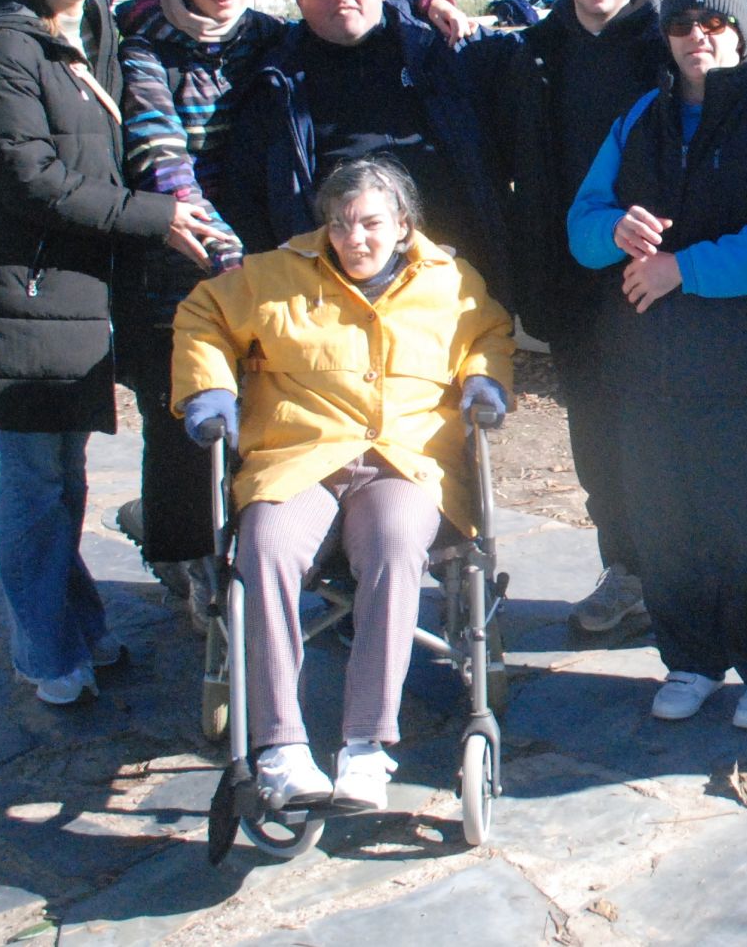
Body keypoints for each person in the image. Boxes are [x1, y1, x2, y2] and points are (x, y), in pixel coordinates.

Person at [0, 0, 228, 706]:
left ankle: (78, 626)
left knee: (65, 478)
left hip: (72, 290)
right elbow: (35, 182)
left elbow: (180, 10)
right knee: (34, 479)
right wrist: (156, 218)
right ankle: (43, 651)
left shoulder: (94, 30)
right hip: (21, 288)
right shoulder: (2, 48)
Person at [173, 158, 514, 809]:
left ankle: (366, 746)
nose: (353, 239)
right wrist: (211, 393)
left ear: (404, 224)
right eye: (339, 224)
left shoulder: (448, 280)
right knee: (263, 546)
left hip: (405, 460)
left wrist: (483, 382)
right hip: (300, 456)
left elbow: (488, 334)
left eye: (370, 224)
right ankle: (279, 747)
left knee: (393, 542)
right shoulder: (275, 276)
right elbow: (203, 318)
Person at [567, 0, 747, 729]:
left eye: (713, 22)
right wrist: (614, 228)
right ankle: (690, 658)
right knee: (664, 516)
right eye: (681, 22)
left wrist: (684, 269)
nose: (696, 36)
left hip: (742, 366)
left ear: (738, 33)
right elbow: (581, 229)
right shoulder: (636, 119)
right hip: (644, 364)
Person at [460, 0, 667, 637]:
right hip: (573, 277)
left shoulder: (670, 41)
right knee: (597, 434)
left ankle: (682, 569)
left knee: (664, 429)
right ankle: (627, 566)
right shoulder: (538, 52)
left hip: (659, 272)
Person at [112, 0, 288, 604]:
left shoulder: (265, 38)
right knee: (180, 419)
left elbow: (351, 19)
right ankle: (183, 557)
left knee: (260, 416)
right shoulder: (144, 44)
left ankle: (255, 555)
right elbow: (163, 158)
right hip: (182, 263)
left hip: (255, 262)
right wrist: (230, 254)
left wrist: (426, 1)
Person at [222, 0, 507, 300]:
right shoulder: (275, 80)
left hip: (453, 263)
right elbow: (247, 193)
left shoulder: (438, 46)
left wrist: (428, 0)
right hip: (340, 278)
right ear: (300, 0)